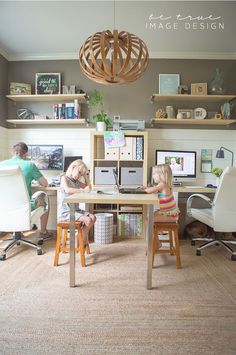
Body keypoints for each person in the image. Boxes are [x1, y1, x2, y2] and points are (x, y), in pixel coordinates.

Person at [0, 142, 51, 239]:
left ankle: (18, 232)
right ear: (26, 154)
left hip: (4, 206)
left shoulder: (1, 165)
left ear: (13, 152)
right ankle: (44, 232)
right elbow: (45, 183)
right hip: (24, 206)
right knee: (45, 199)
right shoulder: (30, 165)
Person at [58, 159, 96, 245]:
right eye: (79, 173)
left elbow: (88, 188)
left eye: (81, 175)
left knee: (93, 218)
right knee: (88, 220)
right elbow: (68, 190)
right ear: (73, 167)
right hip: (66, 212)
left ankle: (79, 239)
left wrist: (85, 176)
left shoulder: (76, 181)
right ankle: (79, 242)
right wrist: (83, 191)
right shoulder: (64, 178)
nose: (79, 176)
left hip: (75, 210)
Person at [145, 164, 180, 249]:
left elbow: (150, 190)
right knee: (152, 215)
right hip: (169, 213)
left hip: (170, 215)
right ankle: (158, 231)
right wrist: (146, 188)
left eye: (154, 174)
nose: (153, 176)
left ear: (161, 175)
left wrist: (144, 189)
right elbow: (154, 189)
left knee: (148, 220)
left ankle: (157, 243)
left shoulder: (162, 185)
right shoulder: (164, 185)